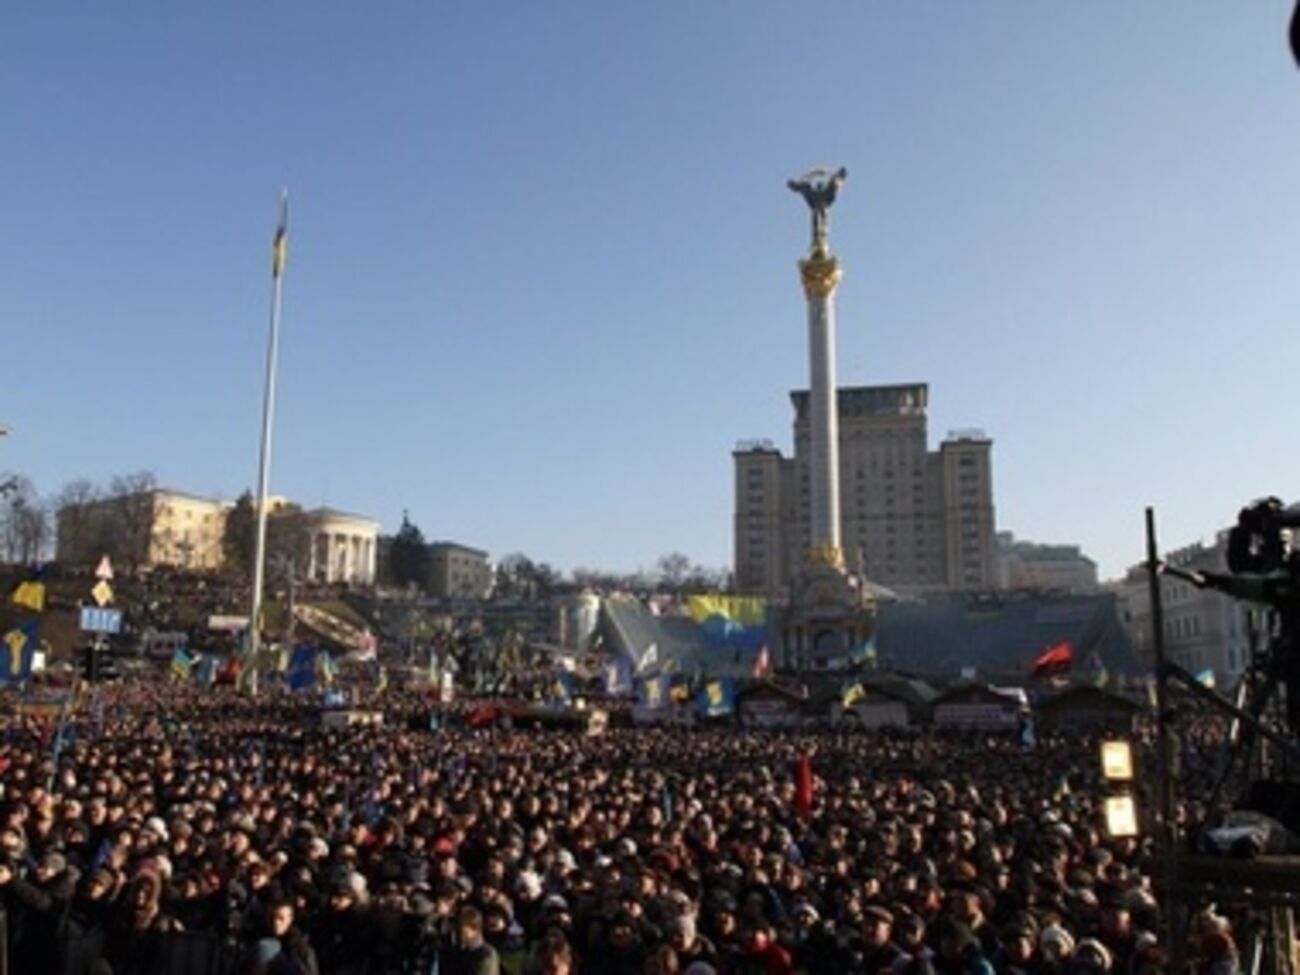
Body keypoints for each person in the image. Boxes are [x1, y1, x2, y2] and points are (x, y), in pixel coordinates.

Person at [444, 905, 500, 975]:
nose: (457, 932)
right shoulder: (461, 952)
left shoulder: (486, 955)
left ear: (474, 929)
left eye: (460, 928)